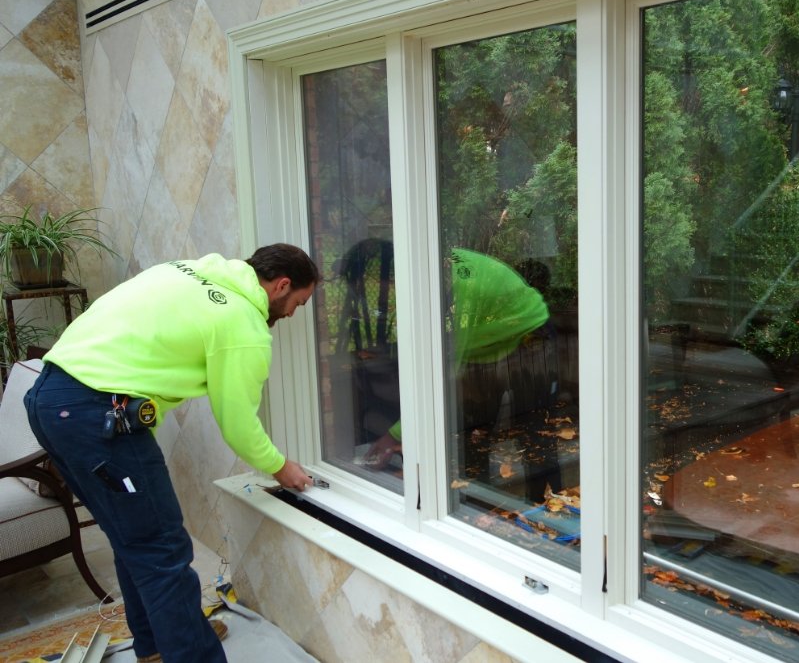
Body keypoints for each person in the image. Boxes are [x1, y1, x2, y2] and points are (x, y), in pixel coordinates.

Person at [22, 244, 319, 663]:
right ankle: (192, 652)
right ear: (282, 285)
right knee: (162, 549)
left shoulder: (187, 271)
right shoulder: (242, 324)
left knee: (135, 539)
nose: (292, 314)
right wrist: (279, 466)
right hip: (97, 416)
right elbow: (237, 424)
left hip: (49, 400)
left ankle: (159, 645)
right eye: (298, 303)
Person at [338, 240, 553, 471]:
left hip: (531, 341)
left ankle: (531, 498)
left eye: (388, 286)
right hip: (496, 339)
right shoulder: (439, 267)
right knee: (476, 436)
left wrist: (392, 437)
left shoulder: (466, 288)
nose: (389, 295)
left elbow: (446, 379)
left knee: (531, 439)